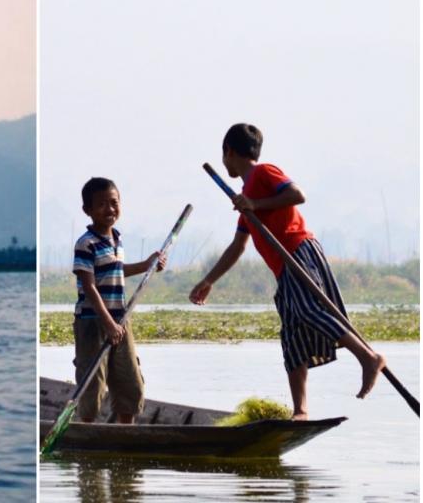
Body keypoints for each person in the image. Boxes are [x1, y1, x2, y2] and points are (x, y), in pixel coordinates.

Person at [189, 123, 385, 420]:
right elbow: (237, 247)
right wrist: (208, 281)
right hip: (284, 268)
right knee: (292, 336)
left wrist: (256, 203)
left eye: (224, 155)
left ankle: (368, 357)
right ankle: (301, 410)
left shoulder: (263, 173)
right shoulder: (245, 197)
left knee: (308, 310)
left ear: (228, 151)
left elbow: (297, 194)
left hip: (299, 252)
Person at [73, 177, 166, 424]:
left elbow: (117, 270)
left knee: (130, 384)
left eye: (114, 203)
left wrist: (147, 265)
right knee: (92, 385)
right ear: (88, 210)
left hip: (120, 320)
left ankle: (125, 434)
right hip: (93, 322)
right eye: (102, 204)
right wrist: (107, 323)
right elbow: (90, 286)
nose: (110, 209)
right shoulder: (86, 244)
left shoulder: (116, 239)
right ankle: (87, 431)